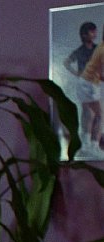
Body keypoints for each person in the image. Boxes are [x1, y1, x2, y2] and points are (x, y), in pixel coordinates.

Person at [65, 22, 101, 153]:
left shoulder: (97, 48)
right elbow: (66, 62)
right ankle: (89, 144)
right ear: (84, 35)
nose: (94, 34)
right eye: (92, 31)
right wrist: (77, 73)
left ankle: (91, 144)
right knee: (91, 113)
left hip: (94, 84)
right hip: (85, 84)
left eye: (95, 31)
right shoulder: (80, 51)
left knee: (93, 114)